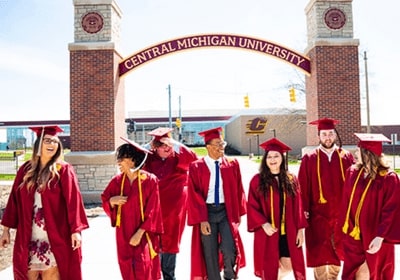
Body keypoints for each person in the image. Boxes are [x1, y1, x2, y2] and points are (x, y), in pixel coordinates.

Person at [0, 125, 89, 280]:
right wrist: (6, 230)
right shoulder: (25, 170)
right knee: (27, 274)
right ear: (38, 145)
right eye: (48, 140)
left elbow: (73, 201)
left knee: (53, 274)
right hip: (29, 235)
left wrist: (76, 230)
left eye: (55, 141)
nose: (52, 144)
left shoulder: (63, 170)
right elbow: (13, 200)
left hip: (55, 235)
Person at [297, 117, 355, 279]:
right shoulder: (310, 158)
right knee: (319, 251)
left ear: (335, 135)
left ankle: (333, 277)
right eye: (324, 134)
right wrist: (304, 211)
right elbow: (302, 186)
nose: (328, 137)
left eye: (330, 133)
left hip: (341, 214)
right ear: (319, 136)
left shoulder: (346, 157)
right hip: (317, 215)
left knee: (339, 249)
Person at [187, 127, 247, 280]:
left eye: (223, 144)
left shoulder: (232, 164)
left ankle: (229, 275)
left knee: (229, 248)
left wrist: (237, 214)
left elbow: (239, 188)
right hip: (206, 212)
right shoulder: (196, 166)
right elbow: (193, 195)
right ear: (208, 146)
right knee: (210, 252)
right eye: (218, 144)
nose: (222, 147)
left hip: (226, 211)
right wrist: (202, 219)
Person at [101, 137, 163, 280]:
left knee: (144, 266)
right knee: (126, 267)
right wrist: (111, 201)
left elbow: (153, 211)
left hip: (144, 234)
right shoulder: (117, 181)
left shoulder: (149, 180)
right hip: (123, 233)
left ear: (133, 160)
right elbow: (105, 198)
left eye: (122, 159)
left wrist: (139, 233)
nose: (119, 162)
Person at [340, 133, 400, 279]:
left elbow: (391, 210)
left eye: (358, 149)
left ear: (367, 154)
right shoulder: (353, 173)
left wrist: (380, 236)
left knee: (371, 273)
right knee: (353, 273)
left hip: (375, 236)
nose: (355, 152)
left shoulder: (388, 178)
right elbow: (346, 203)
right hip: (354, 235)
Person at [247, 138, 307, 280]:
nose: (272, 160)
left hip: (289, 231)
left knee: (288, 265)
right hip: (268, 232)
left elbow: (299, 205)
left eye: (276, 156)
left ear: (282, 158)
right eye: (269, 156)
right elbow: (251, 206)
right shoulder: (257, 180)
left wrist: (300, 230)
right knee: (268, 266)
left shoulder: (291, 179)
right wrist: (263, 223)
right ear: (265, 160)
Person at [143, 127, 198, 280]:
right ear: (155, 147)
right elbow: (136, 160)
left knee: (170, 241)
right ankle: (154, 274)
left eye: (169, 145)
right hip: (154, 207)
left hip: (174, 208)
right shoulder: (149, 157)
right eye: (162, 145)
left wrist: (174, 142)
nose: (167, 148)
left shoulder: (178, 157)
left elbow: (194, 160)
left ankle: (169, 276)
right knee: (152, 240)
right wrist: (149, 145)